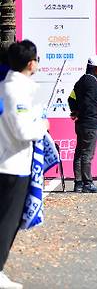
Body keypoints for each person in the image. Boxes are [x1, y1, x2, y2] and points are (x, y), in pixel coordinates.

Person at [0, 40, 50, 289]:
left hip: (13, 162)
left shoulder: (14, 87)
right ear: (31, 63)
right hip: (10, 164)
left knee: (8, 220)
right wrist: (42, 125)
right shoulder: (14, 90)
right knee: (7, 222)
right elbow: (21, 130)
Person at [68, 55, 97, 193]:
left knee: (79, 152)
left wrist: (75, 111)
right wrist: (95, 114)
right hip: (89, 123)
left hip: (82, 122)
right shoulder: (91, 82)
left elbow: (71, 97)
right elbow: (90, 103)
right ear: (96, 68)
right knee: (87, 154)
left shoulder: (82, 80)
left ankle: (78, 183)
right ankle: (87, 183)